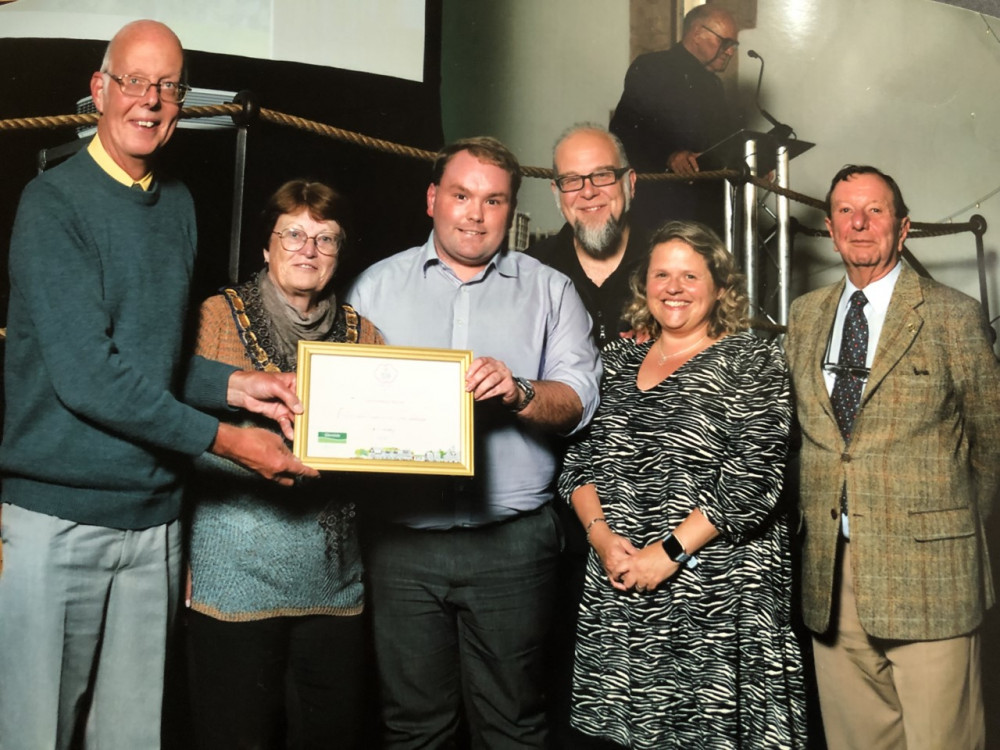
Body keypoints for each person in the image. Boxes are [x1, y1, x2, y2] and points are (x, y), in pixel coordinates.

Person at [0, 20, 317, 750]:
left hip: (154, 524)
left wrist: (240, 385)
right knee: (33, 736)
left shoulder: (176, 203)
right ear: (99, 90)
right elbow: (89, 377)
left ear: (182, 100)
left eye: (167, 86)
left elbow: (151, 358)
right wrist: (233, 442)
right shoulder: (52, 205)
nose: (150, 100)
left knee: (134, 737)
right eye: (134, 82)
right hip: (59, 520)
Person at [346, 136, 601, 749]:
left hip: (512, 546)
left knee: (513, 725)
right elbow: (344, 401)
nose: (475, 214)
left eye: (493, 200)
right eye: (461, 195)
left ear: (511, 210)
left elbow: (579, 401)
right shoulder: (374, 288)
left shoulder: (550, 290)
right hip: (402, 543)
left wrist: (518, 393)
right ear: (433, 198)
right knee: (412, 728)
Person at [559, 220, 807, 749]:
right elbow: (578, 462)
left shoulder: (753, 359)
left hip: (716, 591)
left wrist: (667, 552)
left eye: (690, 276)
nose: (673, 288)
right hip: (621, 580)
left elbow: (753, 477)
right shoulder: (616, 362)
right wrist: (603, 541)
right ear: (643, 285)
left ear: (720, 286)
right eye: (661, 275)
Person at [785, 165, 1000, 750]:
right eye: (847, 212)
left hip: (930, 578)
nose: (860, 223)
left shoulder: (952, 314)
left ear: (902, 228)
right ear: (830, 228)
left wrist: (941, 531)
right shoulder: (805, 317)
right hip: (833, 578)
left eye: (875, 211)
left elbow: (991, 442)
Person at [185, 180, 381, 750]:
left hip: (333, 586)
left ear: (341, 253)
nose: (307, 249)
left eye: (325, 238)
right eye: (292, 233)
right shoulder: (217, 317)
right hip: (232, 585)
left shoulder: (366, 337)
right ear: (266, 248)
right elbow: (175, 435)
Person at [609, 5, 740, 235]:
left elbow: (723, 143)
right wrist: (667, 157)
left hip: (705, 215)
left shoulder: (714, 86)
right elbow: (623, 133)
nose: (730, 51)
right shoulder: (651, 67)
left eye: (733, 45)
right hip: (658, 211)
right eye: (725, 42)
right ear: (698, 34)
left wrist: (752, 161)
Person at [528, 123, 645, 350]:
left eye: (602, 175)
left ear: (630, 184)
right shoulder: (531, 269)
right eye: (571, 180)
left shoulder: (670, 265)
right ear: (557, 192)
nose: (588, 192)